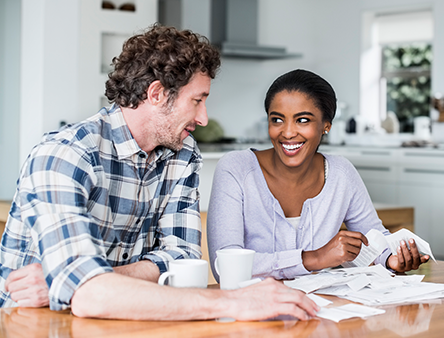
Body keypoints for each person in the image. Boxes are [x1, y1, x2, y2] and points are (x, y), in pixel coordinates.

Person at [0, 26, 319, 321]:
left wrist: (78, 279)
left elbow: (181, 258)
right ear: (156, 94)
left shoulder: (182, 154)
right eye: (197, 101)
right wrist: (234, 301)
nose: (204, 118)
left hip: (122, 318)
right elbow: (88, 296)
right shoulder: (65, 155)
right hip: (29, 324)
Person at [207, 69, 429, 281]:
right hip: (252, 312)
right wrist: (315, 258)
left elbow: (373, 238)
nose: (288, 132)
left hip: (321, 310)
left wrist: (391, 260)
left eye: (303, 120)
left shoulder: (341, 174)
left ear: (326, 125)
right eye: (277, 119)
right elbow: (224, 266)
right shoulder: (236, 169)